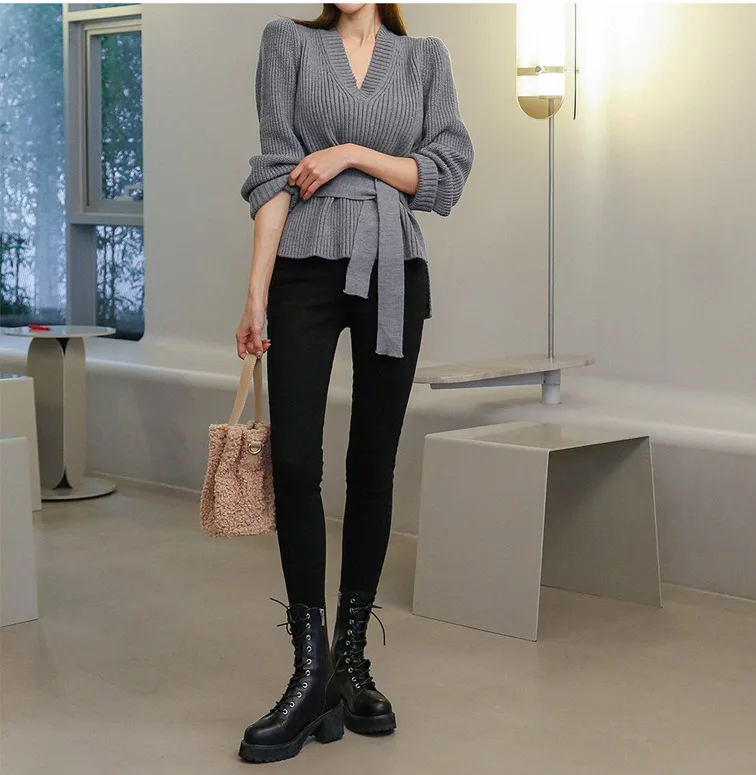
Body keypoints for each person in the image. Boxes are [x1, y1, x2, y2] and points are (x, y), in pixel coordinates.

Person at [235, 2, 473, 763]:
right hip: (303, 267)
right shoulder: (288, 43)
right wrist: (256, 292)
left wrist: (348, 154)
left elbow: (445, 173)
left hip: (394, 266)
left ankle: (349, 665)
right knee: (293, 462)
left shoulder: (425, 58)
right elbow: (275, 174)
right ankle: (310, 674)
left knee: (373, 466)